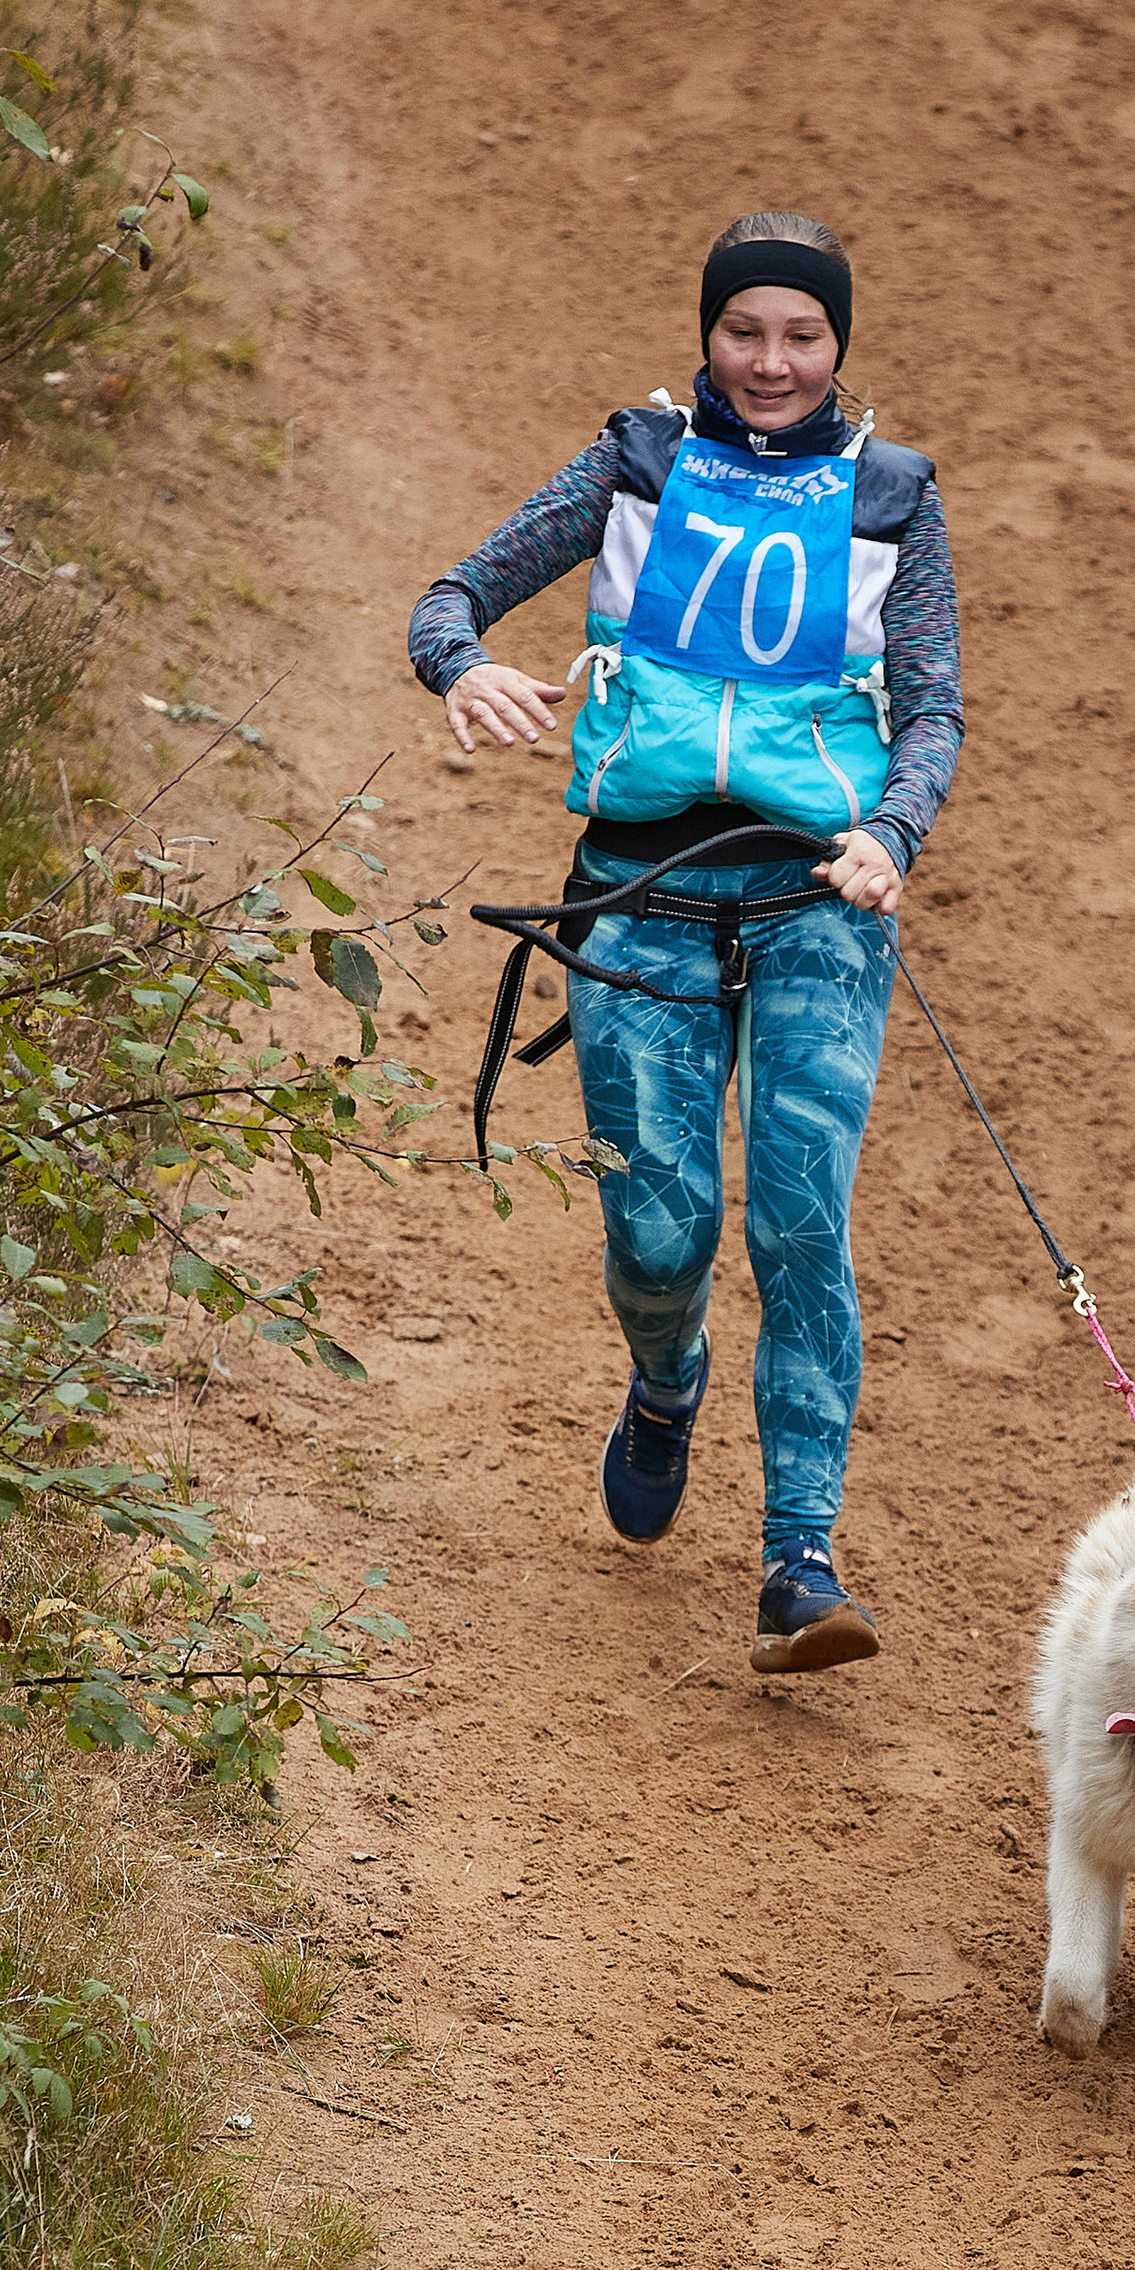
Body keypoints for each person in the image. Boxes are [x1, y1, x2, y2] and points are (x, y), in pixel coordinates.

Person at [408, 211, 962, 1675]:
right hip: (634, 897)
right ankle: (667, 1383)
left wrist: (888, 835)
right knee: (661, 1237)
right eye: (745, 330)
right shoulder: (635, 463)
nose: (772, 361)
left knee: (797, 1225)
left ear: (840, 345)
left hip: (815, 906)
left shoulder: (893, 499)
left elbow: (936, 709)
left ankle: (800, 1558)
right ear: (707, 334)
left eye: (803, 334)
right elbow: (447, 597)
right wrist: (464, 672)